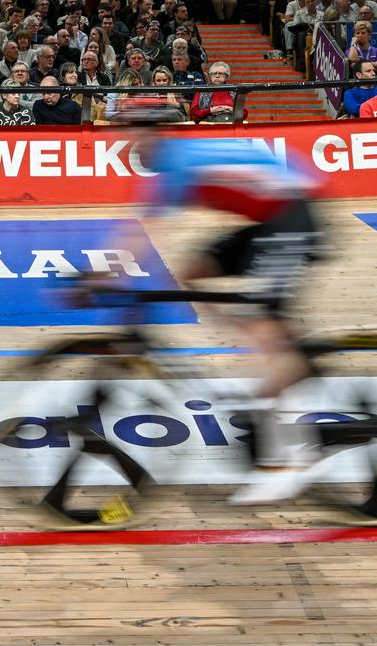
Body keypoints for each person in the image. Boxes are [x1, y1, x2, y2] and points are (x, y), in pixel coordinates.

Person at [114, 116, 329, 503]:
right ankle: (254, 336)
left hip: (295, 214)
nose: (131, 146)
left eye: (135, 139)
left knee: (268, 336)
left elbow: (138, 234)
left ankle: (293, 461)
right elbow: (141, 233)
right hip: (270, 218)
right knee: (191, 272)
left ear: (153, 137)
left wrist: (98, 278)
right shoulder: (171, 163)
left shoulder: (176, 164)